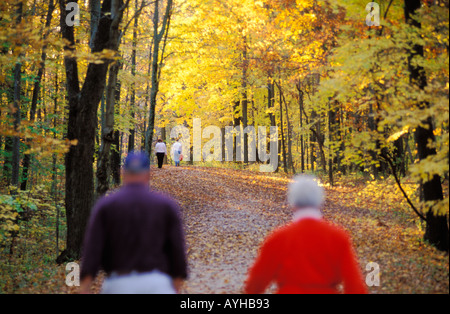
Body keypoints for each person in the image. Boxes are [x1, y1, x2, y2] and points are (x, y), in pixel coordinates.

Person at [80, 151, 187, 294]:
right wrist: (176, 282)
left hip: (118, 284)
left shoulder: (106, 206)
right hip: (157, 284)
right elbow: (177, 249)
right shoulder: (165, 206)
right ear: (148, 174)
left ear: (123, 173)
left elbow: (92, 250)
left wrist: (85, 286)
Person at [244, 175, 367, 294]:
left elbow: (257, 281)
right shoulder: (338, 237)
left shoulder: (279, 238)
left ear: (292, 202)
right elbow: (354, 284)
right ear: (320, 201)